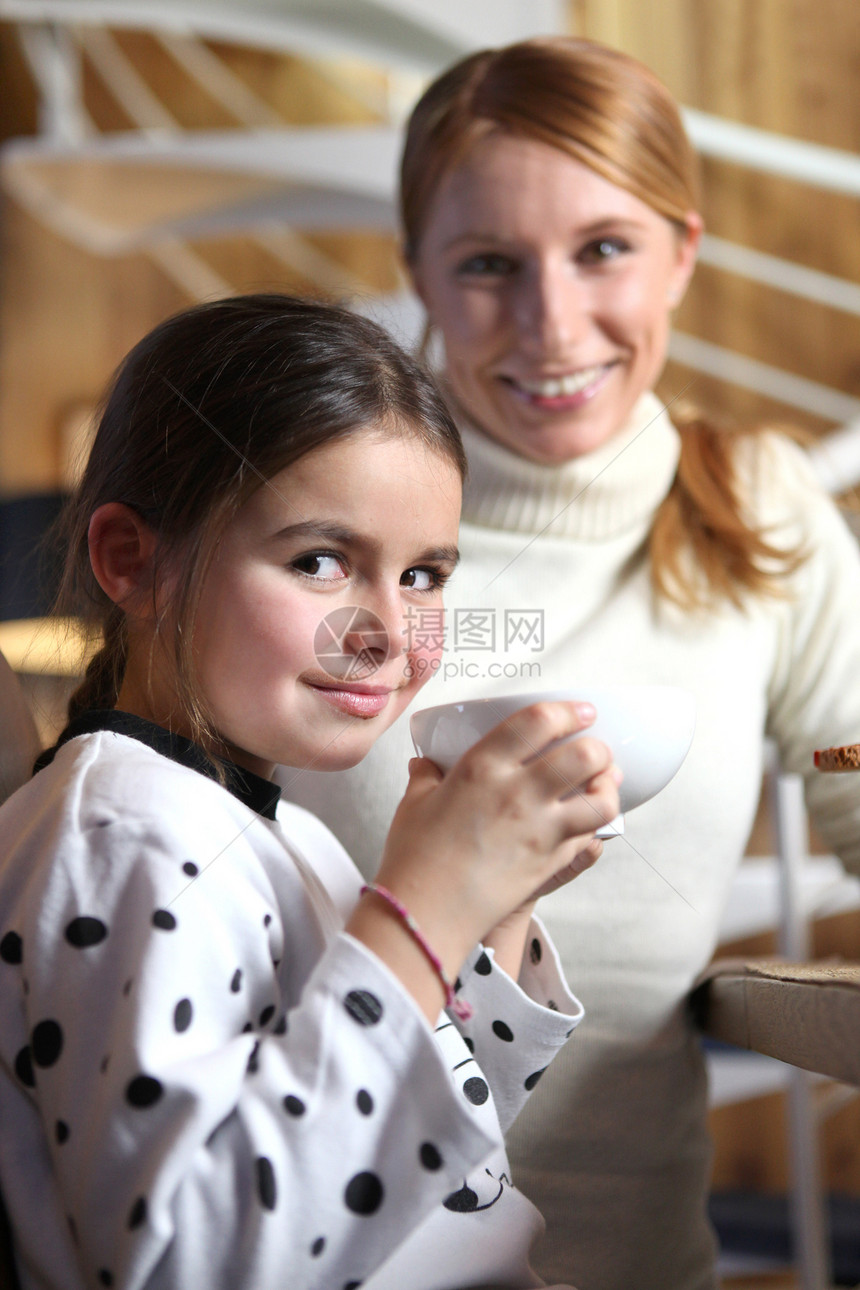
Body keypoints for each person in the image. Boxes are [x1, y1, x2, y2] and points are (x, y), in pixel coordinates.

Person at [279, 37, 860, 1290]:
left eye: (602, 248)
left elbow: (853, 776)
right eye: (488, 264)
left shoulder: (757, 514)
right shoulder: (307, 528)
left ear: (681, 254)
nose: (551, 326)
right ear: (418, 275)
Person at [0, 294, 621, 1290]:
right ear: (133, 561)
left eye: (423, 575)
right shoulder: (125, 838)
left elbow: (431, 1167)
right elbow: (195, 1260)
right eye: (321, 561)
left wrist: (488, 912)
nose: (384, 627)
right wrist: (422, 912)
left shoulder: (274, 829)